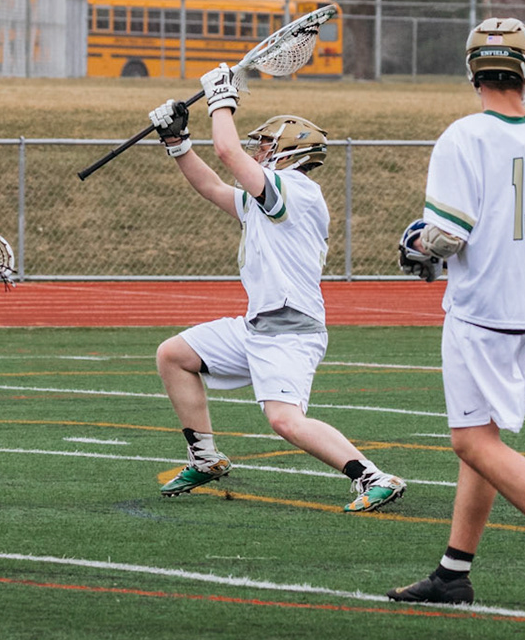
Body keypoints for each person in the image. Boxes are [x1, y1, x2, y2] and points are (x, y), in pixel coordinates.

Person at [386, 18, 525, 610]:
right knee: (483, 438)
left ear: (474, 71)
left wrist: (414, 243)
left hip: (481, 311)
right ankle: (453, 572)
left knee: (470, 442)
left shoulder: (463, 137)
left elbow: (447, 237)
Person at [145, 70, 407, 513]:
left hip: (290, 330)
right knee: (174, 355)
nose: (258, 150)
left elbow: (227, 151)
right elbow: (211, 186)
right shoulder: (264, 197)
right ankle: (205, 458)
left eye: (266, 144)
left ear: (291, 151)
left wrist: (221, 99)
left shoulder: (297, 190)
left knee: (284, 420)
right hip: (258, 327)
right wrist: (178, 143)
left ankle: (374, 476)